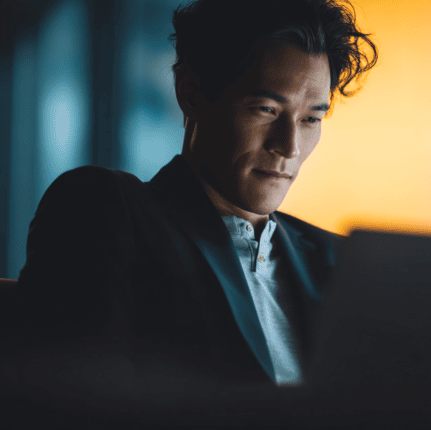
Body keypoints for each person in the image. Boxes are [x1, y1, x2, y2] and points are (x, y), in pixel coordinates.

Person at [10, 0, 378, 391]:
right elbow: (67, 398)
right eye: (266, 109)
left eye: (310, 119)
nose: (289, 146)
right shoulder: (106, 208)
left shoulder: (344, 264)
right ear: (190, 93)